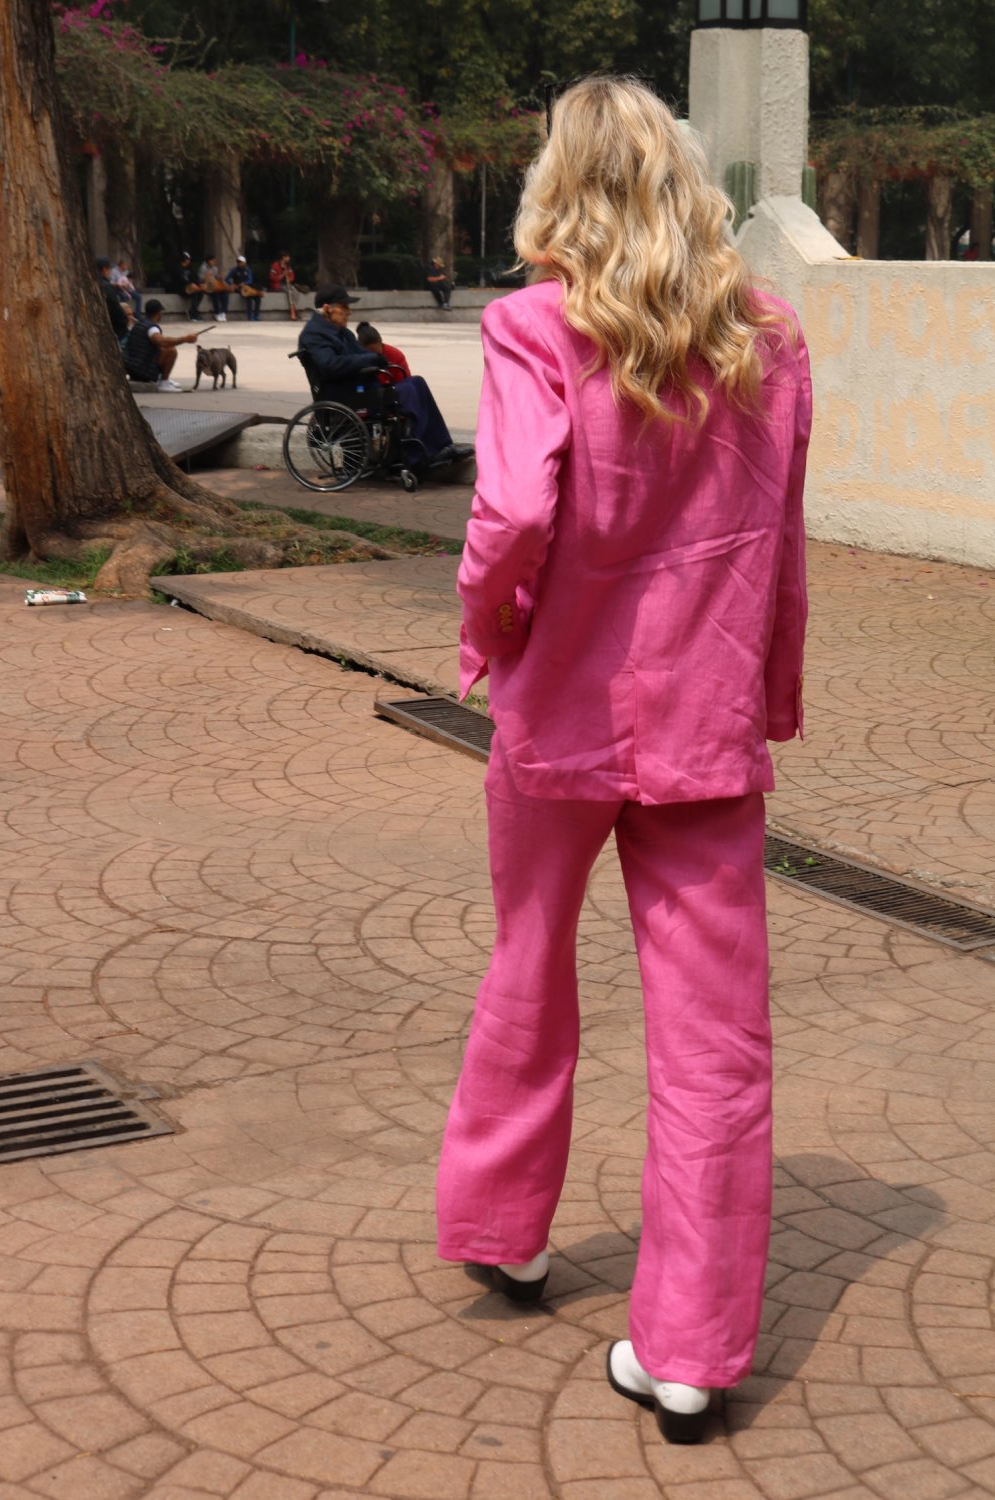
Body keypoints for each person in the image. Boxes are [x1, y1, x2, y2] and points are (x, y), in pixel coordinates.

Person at [434, 76, 811, 1444]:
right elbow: (779, 548)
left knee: (529, 971)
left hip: (559, 716)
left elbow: (513, 513)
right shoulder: (768, 339)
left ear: (561, 184)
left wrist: (490, 633)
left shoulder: (534, 326)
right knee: (717, 1040)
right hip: (705, 724)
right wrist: (768, 692)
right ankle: (692, 1353)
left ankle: (506, 1230)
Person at [356, 321, 472, 464]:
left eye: (377, 352)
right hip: (371, 396)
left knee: (418, 382)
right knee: (408, 390)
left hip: (393, 393)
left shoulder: (393, 354)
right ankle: (416, 450)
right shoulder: (357, 358)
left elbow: (404, 378)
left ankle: (444, 444)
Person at [123, 298, 198, 391]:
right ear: (158, 313)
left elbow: (163, 339)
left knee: (164, 348)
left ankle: (163, 380)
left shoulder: (141, 323)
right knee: (171, 350)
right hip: (141, 370)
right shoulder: (151, 328)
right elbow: (162, 342)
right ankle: (163, 382)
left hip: (133, 367)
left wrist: (183, 338)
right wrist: (185, 339)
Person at [95, 256, 134, 344]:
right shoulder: (106, 286)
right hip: (115, 329)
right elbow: (114, 307)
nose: (111, 272)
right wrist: (125, 320)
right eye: (110, 269)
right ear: (104, 269)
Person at [226, 254, 263, 320]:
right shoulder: (234, 270)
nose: (239, 263)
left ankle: (256, 315)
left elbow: (250, 280)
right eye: (238, 262)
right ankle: (250, 316)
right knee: (249, 297)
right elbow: (227, 279)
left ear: (244, 262)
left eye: (240, 262)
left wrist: (245, 283)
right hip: (238, 288)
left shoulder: (247, 270)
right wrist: (232, 284)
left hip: (247, 287)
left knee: (258, 297)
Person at [171, 252, 204, 321]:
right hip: (181, 288)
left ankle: (193, 310)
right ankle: (193, 315)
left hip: (189, 287)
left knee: (200, 293)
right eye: (188, 259)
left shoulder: (189, 269)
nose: (189, 261)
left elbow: (193, 278)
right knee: (194, 293)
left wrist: (199, 283)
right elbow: (180, 279)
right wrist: (190, 284)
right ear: (184, 260)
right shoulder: (177, 268)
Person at [199, 255, 229, 321]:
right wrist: (206, 276)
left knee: (225, 293)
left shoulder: (215, 268)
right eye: (213, 260)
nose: (214, 262)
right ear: (209, 261)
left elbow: (217, 278)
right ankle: (217, 313)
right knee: (215, 295)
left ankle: (223, 312)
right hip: (206, 286)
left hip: (215, 286)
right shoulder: (203, 268)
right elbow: (200, 279)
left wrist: (220, 277)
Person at [270, 252, 299, 320]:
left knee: (296, 292)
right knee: (290, 293)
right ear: (283, 257)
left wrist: (289, 279)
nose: (289, 258)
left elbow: (292, 276)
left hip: (287, 284)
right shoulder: (275, 265)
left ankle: (294, 308)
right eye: (288, 257)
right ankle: (293, 311)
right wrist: (282, 275)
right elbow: (272, 277)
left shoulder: (288, 266)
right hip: (278, 285)